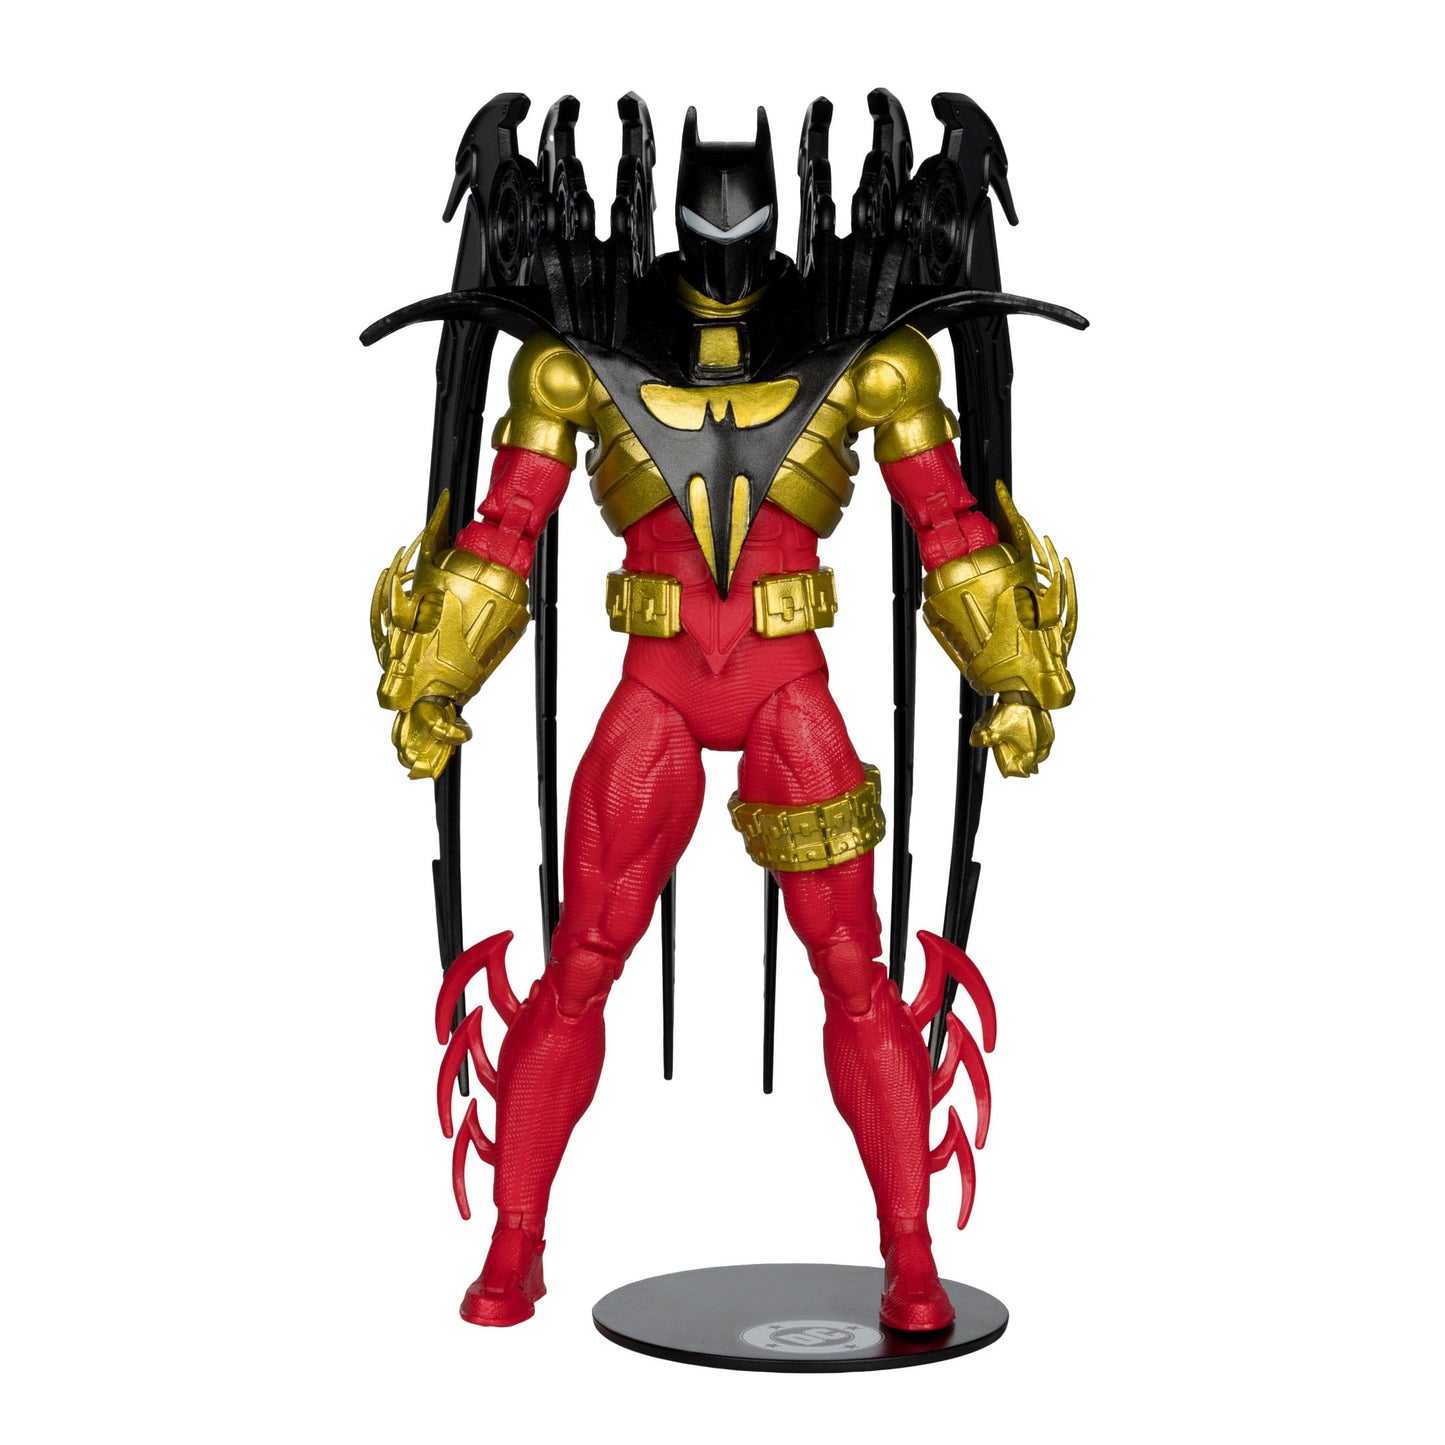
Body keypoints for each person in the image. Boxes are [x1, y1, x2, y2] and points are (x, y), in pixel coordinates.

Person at [373, 108, 1075, 1331]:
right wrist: (435, 679)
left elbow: (949, 528)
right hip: (656, 690)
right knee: (580, 964)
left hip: (782, 688)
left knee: (851, 972)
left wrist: (1012, 678)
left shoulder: (869, 365)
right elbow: (503, 532)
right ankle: (515, 1239)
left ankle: (909, 1258)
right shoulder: (574, 367)